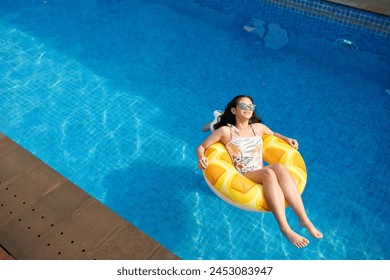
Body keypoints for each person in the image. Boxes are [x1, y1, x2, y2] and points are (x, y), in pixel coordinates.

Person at [196, 95, 323, 248]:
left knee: (279, 167)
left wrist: (287, 138)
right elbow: (202, 147)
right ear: (234, 110)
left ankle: (304, 220)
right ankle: (285, 228)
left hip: (260, 170)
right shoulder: (225, 131)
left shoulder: (259, 128)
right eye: (244, 106)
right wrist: (202, 157)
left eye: (251, 106)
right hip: (244, 175)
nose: (248, 109)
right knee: (269, 172)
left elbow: (274, 135)